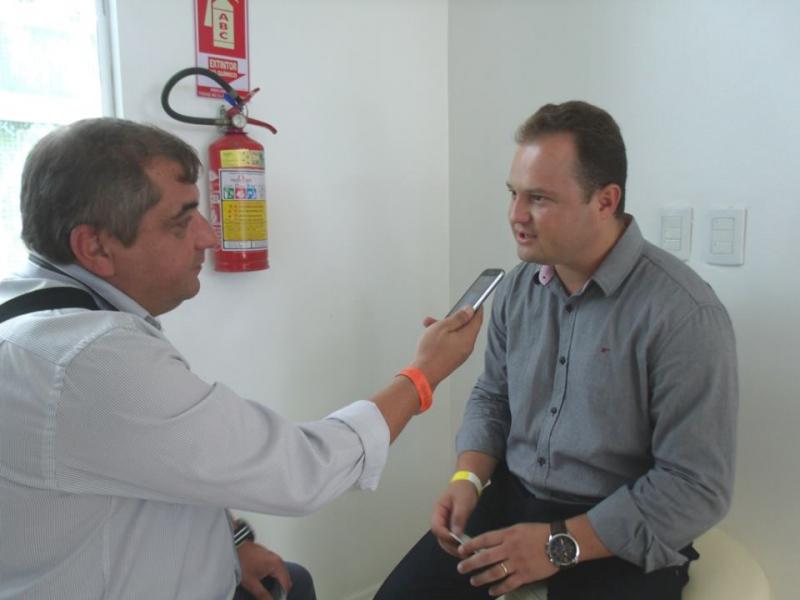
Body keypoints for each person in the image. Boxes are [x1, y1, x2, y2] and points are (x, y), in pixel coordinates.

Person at [0, 118, 483, 600]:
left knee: (294, 582)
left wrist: (231, 542)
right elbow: (302, 472)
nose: (208, 237)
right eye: (181, 220)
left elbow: (160, 455)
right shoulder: (89, 361)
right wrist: (424, 374)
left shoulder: (33, 310)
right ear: (95, 246)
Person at [374, 101, 738, 599]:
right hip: (512, 500)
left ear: (605, 201)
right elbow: (493, 396)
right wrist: (468, 478)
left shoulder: (684, 315)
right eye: (513, 194)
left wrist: (555, 545)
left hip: (618, 526)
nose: (515, 215)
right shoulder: (517, 289)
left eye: (539, 199)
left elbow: (696, 486)